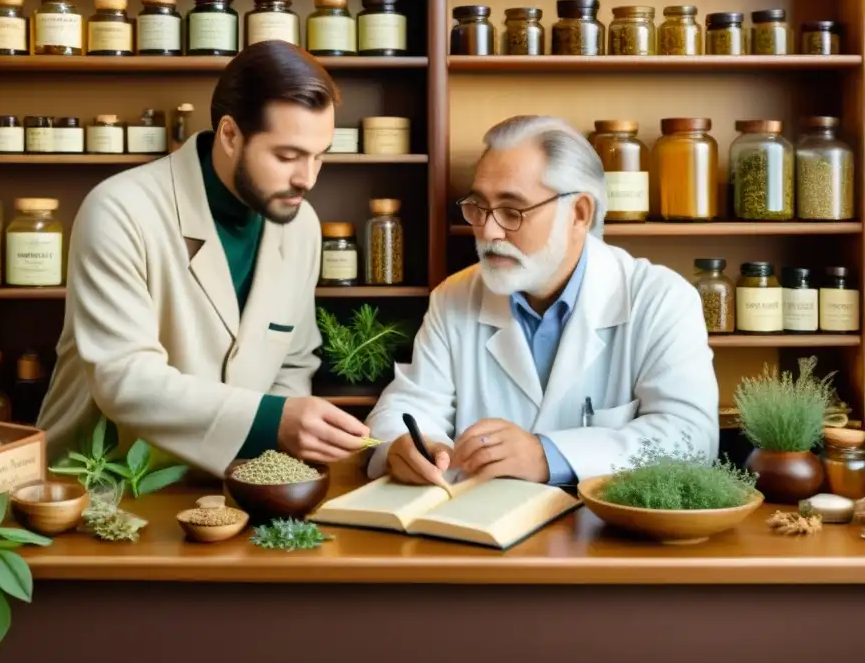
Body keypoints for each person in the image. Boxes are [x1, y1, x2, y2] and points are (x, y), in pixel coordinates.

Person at [37, 40, 369, 476]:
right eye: (287, 156)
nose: (307, 178)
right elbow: (125, 380)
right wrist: (273, 422)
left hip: (234, 486)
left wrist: (271, 468)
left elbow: (293, 360)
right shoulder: (119, 209)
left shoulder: (302, 224)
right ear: (230, 135)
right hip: (103, 485)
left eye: (319, 156)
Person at [364, 115, 719, 487]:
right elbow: (408, 406)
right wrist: (400, 447)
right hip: (480, 529)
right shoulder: (454, 296)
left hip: (608, 533)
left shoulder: (661, 299)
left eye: (512, 211)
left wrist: (548, 455)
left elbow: (691, 438)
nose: (488, 231)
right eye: (479, 206)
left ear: (579, 214)